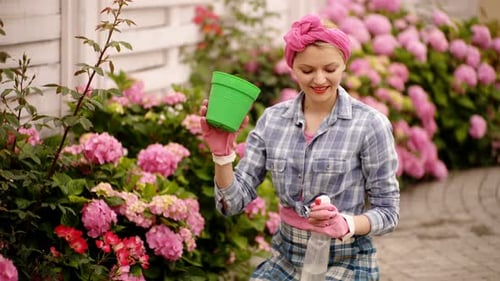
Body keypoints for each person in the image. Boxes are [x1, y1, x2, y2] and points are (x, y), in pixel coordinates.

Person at [199, 14, 400, 281]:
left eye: (330, 69)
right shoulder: (273, 121)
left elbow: (388, 212)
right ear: (293, 68)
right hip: (285, 260)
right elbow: (232, 205)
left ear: (344, 65)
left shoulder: (370, 124)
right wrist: (222, 156)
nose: (319, 79)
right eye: (307, 71)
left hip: (347, 261)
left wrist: (347, 223)